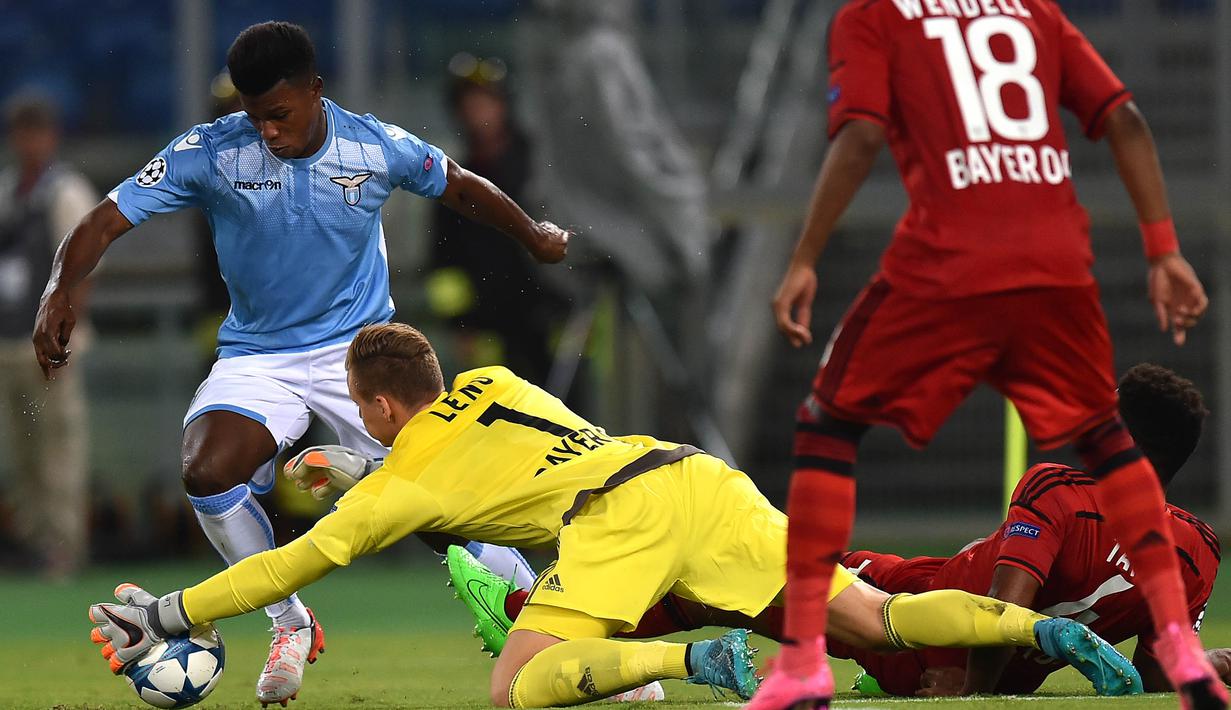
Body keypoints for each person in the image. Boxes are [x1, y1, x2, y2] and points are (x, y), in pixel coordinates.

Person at [88, 323, 1140, 709]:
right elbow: (453, 443)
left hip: (617, 519)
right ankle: (1042, 630)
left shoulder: (400, 487)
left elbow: (287, 569)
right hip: (695, 474)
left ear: (371, 403)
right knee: (875, 618)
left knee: (515, 683)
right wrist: (360, 455)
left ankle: (702, 664)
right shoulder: (492, 378)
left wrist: (174, 611)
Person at [34, 21, 566, 706]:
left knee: (445, 513)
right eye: (255, 118)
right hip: (259, 353)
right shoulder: (213, 149)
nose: (267, 133)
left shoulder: (372, 145)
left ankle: (553, 633)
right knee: (207, 469)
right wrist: (57, 290)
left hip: (362, 352)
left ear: (315, 92)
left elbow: (459, 185)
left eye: (279, 116)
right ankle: (288, 621)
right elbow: (106, 218)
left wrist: (533, 234)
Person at [762, 2, 1221, 708]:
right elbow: (1125, 122)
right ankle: (1199, 658)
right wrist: (1163, 251)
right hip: (1057, 259)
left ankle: (794, 659)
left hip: (948, 254)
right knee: (1097, 429)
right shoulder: (1034, 14)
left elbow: (858, 137)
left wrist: (803, 259)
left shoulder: (873, 16)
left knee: (824, 428)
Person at [830, 363, 1225, 696]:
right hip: (964, 622)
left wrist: (972, 690)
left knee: (792, 572)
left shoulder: (1059, 490)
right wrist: (1213, 661)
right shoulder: (1198, 550)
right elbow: (1157, 674)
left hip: (915, 621)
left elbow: (1003, 612)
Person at [0, 95, 96, 579]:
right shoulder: (7, 189)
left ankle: (63, 546)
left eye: (37, 130)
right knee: (22, 450)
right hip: (7, 341)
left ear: (51, 136)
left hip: (49, 345)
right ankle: (34, 540)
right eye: (22, 131)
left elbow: (83, 268)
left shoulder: (66, 191)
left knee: (58, 445)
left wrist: (64, 333)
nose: (29, 141)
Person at [428, 53, 564, 384]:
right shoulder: (451, 181)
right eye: (468, 104)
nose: (476, 114)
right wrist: (463, 326)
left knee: (566, 420)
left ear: (504, 104)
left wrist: (566, 309)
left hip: (553, 325)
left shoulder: (543, 167)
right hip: (489, 333)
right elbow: (444, 263)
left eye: (484, 102)